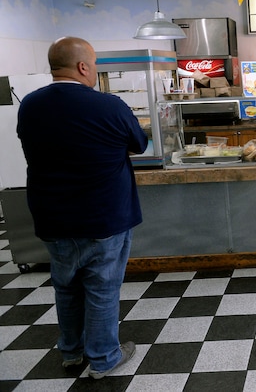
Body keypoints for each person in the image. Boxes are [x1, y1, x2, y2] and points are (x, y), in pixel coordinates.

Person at [16, 36, 148, 379]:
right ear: (83, 66)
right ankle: (103, 359)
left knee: (66, 286)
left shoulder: (30, 105)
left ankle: (72, 353)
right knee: (103, 288)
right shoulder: (110, 106)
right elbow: (140, 144)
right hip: (103, 216)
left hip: (52, 216)